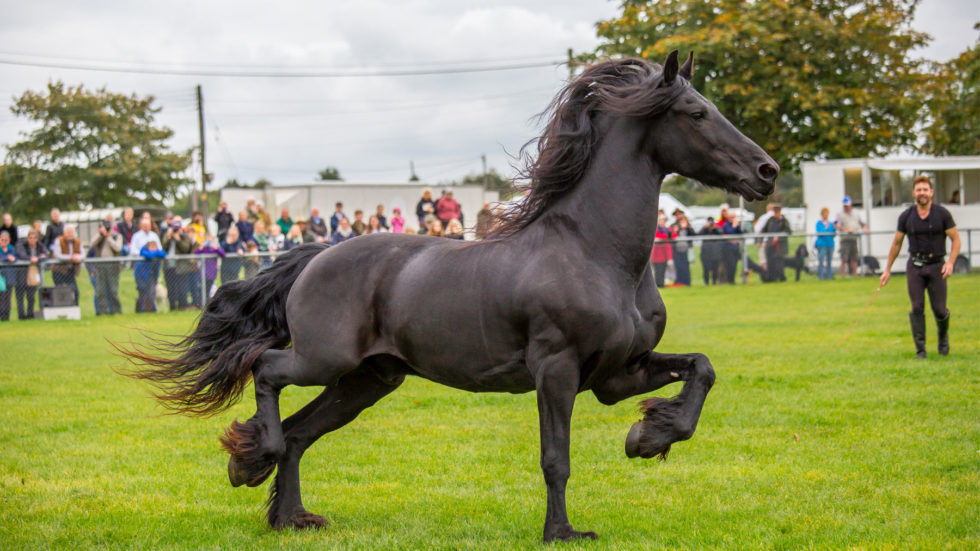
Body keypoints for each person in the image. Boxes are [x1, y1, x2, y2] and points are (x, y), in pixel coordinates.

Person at [880, 175, 961, 359]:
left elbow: (956, 239)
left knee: (940, 309)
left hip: (937, 266)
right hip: (915, 266)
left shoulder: (942, 214)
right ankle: (921, 350)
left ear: (931, 193)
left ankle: (942, 337)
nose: (922, 193)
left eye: (925, 190)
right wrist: (887, 270)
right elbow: (897, 243)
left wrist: (950, 263)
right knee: (917, 307)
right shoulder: (906, 216)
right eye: (919, 190)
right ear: (913, 193)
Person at [89, 218, 124, 315]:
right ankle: (102, 311)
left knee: (113, 290)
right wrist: (100, 235)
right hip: (100, 266)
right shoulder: (100, 236)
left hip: (113, 266)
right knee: (100, 290)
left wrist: (108, 237)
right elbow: (91, 244)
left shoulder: (117, 236)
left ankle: (116, 311)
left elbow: (118, 248)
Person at [15, 229, 47, 319]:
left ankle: (30, 314)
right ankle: (21, 315)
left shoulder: (40, 246)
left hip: (33, 273)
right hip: (21, 272)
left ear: (37, 239)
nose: (32, 240)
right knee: (20, 295)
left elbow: (45, 254)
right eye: (30, 238)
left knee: (31, 295)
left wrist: (38, 258)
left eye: (34, 238)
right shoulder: (21, 245)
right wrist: (30, 258)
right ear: (27, 238)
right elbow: (22, 255)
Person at [835, 195, 867, 277]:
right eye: (844, 206)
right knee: (844, 258)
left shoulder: (856, 212)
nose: (846, 207)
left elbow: (862, 222)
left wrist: (865, 228)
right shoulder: (839, 214)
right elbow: (836, 225)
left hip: (854, 238)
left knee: (854, 258)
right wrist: (846, 230)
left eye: (847, 205)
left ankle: (855, 275)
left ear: (850, 205)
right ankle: (843, 276)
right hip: (845, 239)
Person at [51, 225, 83, 304]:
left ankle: (75, 308)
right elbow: (57, 255)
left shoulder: (77, 241)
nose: (70, 234)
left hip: (70, 270)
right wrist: (71, 258)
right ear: (64, 233)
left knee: (75, 291)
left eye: (71, 232)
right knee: (60, 291)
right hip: (58, 270)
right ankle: (61, 309)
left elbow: (83, 253)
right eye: (68, 232)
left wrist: (78, 257)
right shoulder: (58, 240)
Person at [761, 204, 791, 282]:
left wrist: (779, 237)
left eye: (777, 212)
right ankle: (771, 278)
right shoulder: (770, 220)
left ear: (780, 212)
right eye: (774, 212)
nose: (775, 213)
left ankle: (781, 278)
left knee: (779, 263)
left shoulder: (784, 221)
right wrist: (760, 241)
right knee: (770, 262)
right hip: (770, 245)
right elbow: (764, 230)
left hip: (780, 246)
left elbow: (788, 231)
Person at [134, 240, 166, 313]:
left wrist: (155, 252)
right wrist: (155, 253)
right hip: (141, 275)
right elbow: (148, 255)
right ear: (148, 247)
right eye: (152, 247)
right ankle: (141, 309)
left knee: (151, 292)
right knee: (143, 292)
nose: (154, 249)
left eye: (155, 247)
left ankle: (151, 309)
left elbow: (163, 253)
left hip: (151, 275)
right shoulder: (143, 250)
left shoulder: (157, 251)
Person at [194, 235, 225, 301]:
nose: (208, 243)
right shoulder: (203, 249)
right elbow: (195, 254)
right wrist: (201, 247)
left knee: (209, 289)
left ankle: (207, 302)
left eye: (210, 241)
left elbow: (223, 254)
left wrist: (215, 247)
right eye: (207, 241)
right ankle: (201, 302)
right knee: (201, 289)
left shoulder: (214, 249)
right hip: (202, 273)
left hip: (211, 274)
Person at [670, 209, 694, 286]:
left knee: (685, 266)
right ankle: (679, 281)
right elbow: (671, 234)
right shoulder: (673, 225)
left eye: (679, 214)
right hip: (676, 249)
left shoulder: (688, 226)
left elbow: (693, 234)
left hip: (685, 250)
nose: (678, 216)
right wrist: (678, 229)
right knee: (678, 266)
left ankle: (687, 282)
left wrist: (686, 227)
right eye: (676, 215)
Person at [720, 211, 743, 284]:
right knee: (730, 265)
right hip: (728, 249)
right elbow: (730, 232)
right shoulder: (726, 225)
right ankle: (730, 280)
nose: (733, 219)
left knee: (735, 265)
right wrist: (734, 226)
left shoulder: (736, 225)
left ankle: (732, 280)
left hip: (736, 248)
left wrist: (737, 226)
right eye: (732, 217)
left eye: (734, 217)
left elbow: (741, 233)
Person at [651, 214, 673, 287]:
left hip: (664, 255)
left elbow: (673, 235)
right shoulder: (656, 229)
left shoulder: (668, 230)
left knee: (663, 270)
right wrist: (666, 237)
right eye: (660, 221)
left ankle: (661, 284)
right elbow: (658, 235)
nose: (662, 222)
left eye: (663, 221)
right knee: (657, 271)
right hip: (657, 255)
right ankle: (658, 284)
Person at [698, 217, 722, 285]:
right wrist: (705, 227)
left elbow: (721, 233)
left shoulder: (716, 229)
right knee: (706, 269)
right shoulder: (705, 229)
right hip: (705, 253)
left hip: (715, 252)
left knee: (715, 269)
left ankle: (714, 282)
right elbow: (698, 234)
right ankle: (706, 282)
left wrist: (714, 228)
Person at [814, 207, 836, 280]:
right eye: (824, 213)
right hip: (821, 245)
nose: (826, 215)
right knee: (821, 261)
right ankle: (821, 277)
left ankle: (829, 277)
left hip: (830, 244)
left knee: (829, 262)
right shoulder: (819, 223)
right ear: (822, 214)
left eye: (827, 213)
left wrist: (835, 228)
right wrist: (825, 228)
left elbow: (833, 234)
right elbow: (819, 233)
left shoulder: (831, 223)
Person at [0, 231, 17, 321]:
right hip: (1, 277)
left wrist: (14, 259)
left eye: (6, 240)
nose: (4, 242)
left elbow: (17, 257)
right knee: (1, 298)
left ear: (9, 240)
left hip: (10, 276)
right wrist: (7, 258)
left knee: (7, 297)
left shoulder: (12, 249)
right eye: (2, 240)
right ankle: (2, 315)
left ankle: (6, 317)